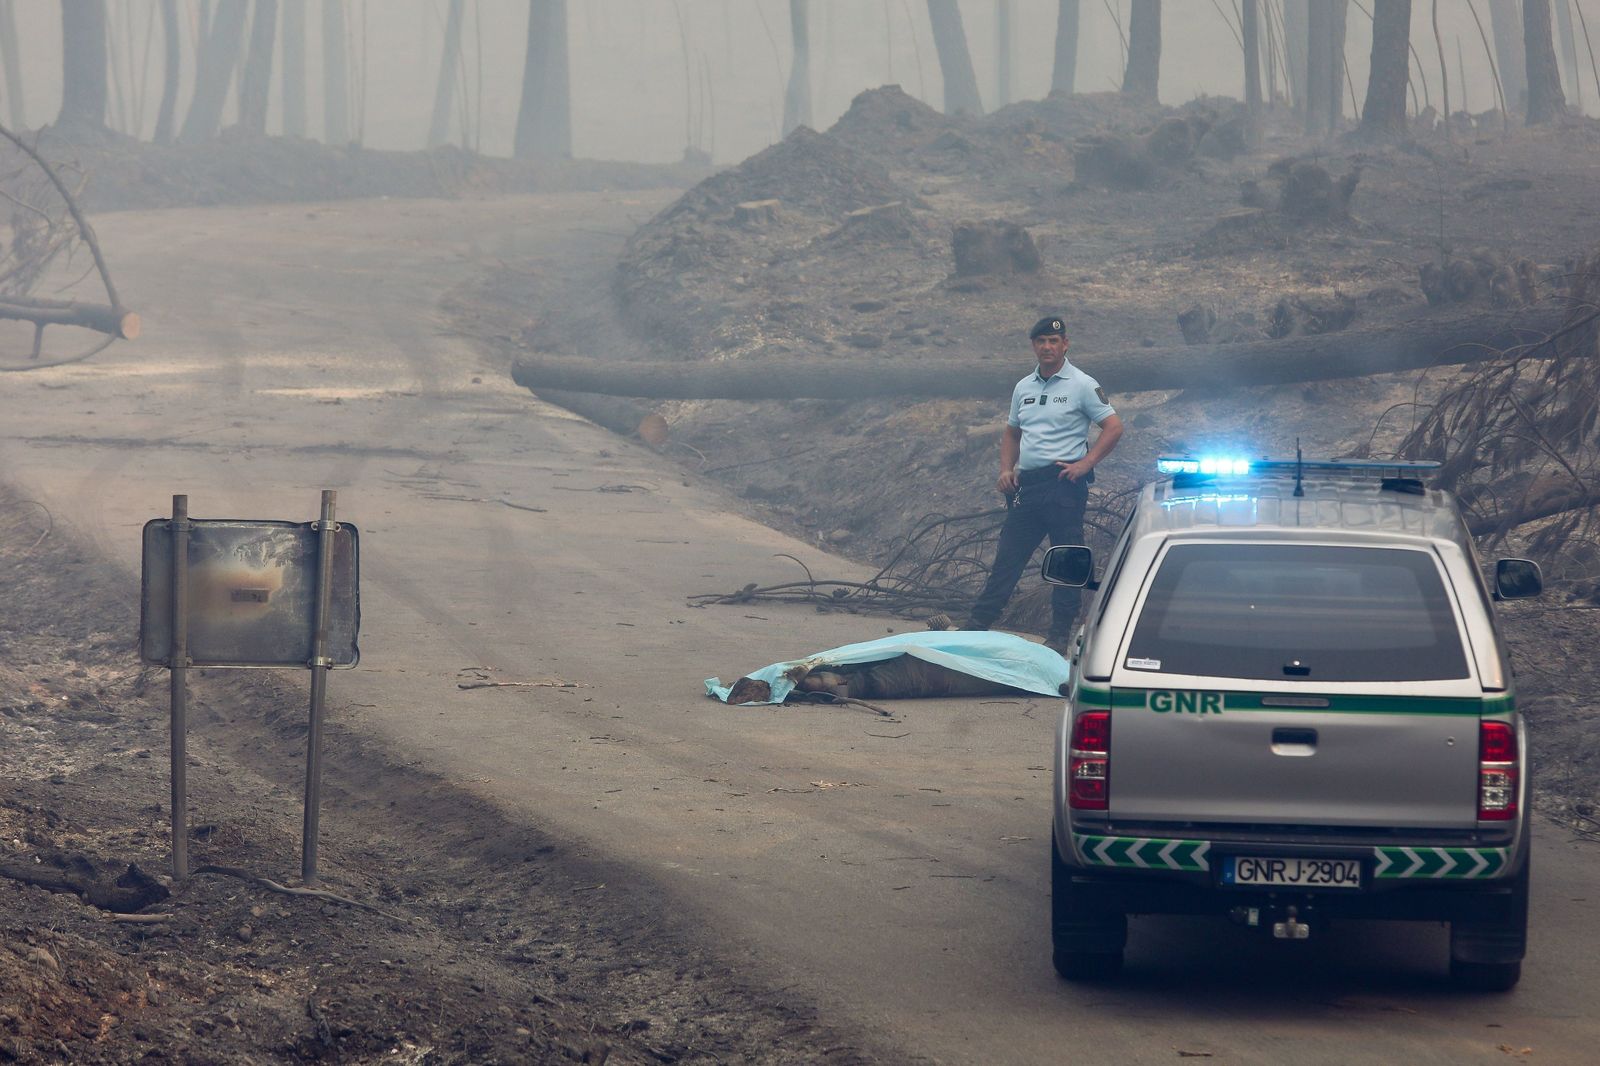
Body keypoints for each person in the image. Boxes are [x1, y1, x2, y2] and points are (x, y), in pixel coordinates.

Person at [963, 315, 1123, 651]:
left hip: (1064, 483)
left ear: (1065, 344)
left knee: (1065, 560)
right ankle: (977, 626)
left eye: (1054, 341)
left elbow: (1113, 427)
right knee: (1008, 556)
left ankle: (1059, 636)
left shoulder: (1081, 384)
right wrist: (1006, 469)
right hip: (1028, 486)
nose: (1047, 347)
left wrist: (1087, 463)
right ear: (1034, 346)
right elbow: (1011, 431)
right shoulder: (1024, 387)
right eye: (1041, 342)